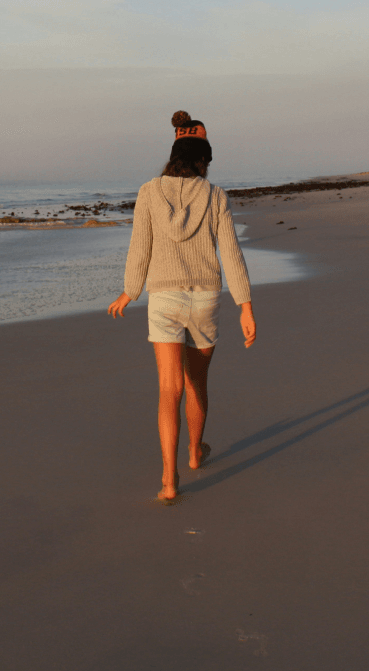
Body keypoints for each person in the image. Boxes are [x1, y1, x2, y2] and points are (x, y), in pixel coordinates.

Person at [107, 111, 258, 505]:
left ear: (173, 157)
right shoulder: (215, 196)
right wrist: (245, 305)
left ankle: (169, 479)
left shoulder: (148, 192)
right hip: (205, 298)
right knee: (197, 384)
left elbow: (139, 248)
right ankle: (194, 453)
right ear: (201, 162)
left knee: (168, 389)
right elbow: (231, 252)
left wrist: (129, 292)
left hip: (164, 299)